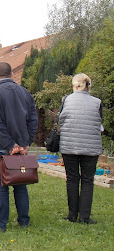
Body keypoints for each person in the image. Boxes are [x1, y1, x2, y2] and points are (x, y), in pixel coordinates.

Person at [0, 62, 38, 232]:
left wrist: (13, 144)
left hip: (1, 145)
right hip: (17, 145)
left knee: (1, 185)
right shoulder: (25, 92)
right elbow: (33, 120)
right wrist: (25, 141)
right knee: (20, 184)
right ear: (12, 74)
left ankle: (0, 222)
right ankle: (23, 220)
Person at [59, 73, 102, 224]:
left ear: (76, 86)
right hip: (91, 146)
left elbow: (61, 119)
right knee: (87, 181)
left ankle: (72, 215)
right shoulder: (97, 102)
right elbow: (99, 122)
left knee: (72, 179)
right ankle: (84, 217)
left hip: (69, 145)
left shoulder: (66, 100)